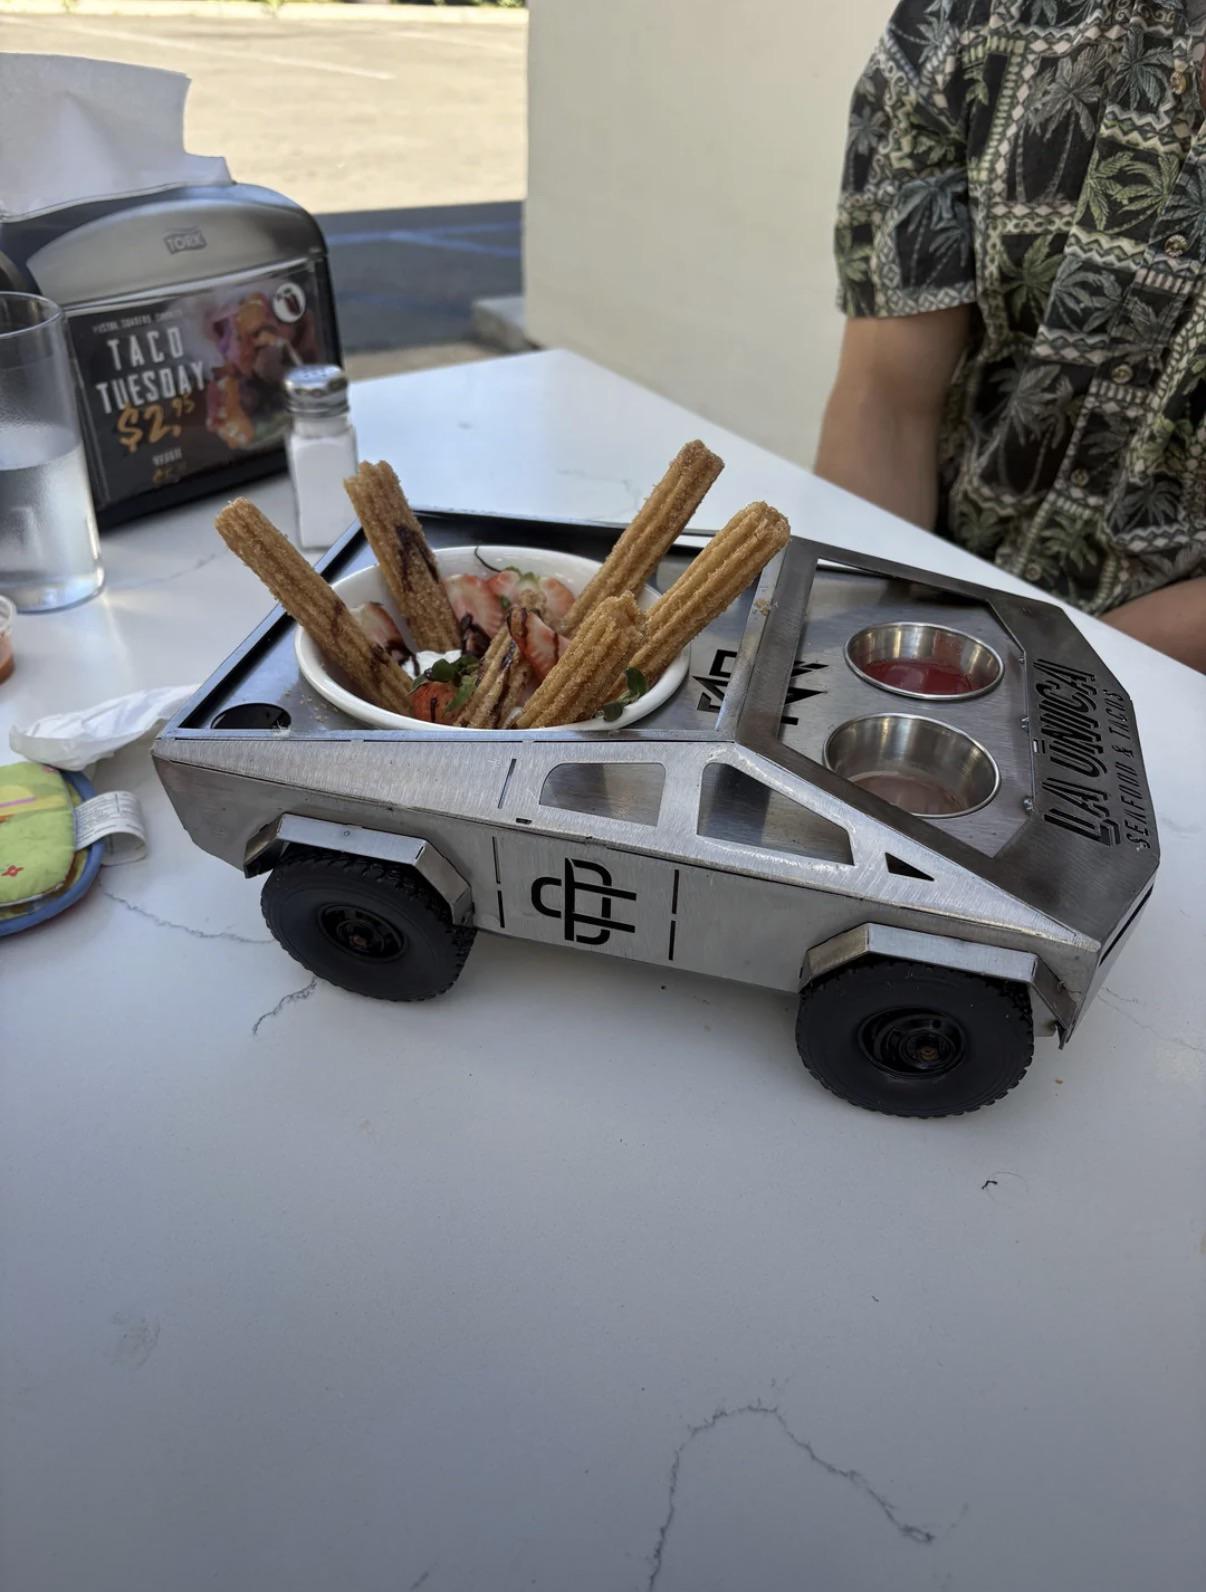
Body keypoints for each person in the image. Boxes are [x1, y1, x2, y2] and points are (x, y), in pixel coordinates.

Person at [815, 0, 1206, 671]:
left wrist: (1047, 674)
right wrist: (853, 654)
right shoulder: (968, 22)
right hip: (940, 592)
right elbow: (886, 404)